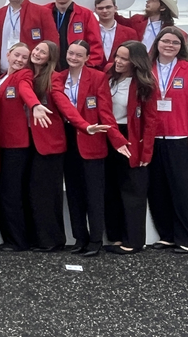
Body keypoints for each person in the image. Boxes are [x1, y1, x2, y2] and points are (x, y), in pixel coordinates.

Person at [52, 40, 129, 256]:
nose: (73, 58)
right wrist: (83, 125)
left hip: (93, 139)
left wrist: (117, 139)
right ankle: (79, 238)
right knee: (74, 193)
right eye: (71, 53)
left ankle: (95, 240)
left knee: (94, 194)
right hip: (69, 140)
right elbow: (64, 107)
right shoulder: (58, 78)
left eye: (79, 55)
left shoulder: (97, 77)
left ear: (87, 58)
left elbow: (105, 112)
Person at [146, 27, 188, 253]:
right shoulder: (147, 67)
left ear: (181, 47)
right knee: (158, 189)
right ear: (158, 43)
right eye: (166, 41)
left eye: (175, 43)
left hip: (180, 138)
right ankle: (168, 236)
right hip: (153, 138)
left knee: (182, 190)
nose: (169, 46)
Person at [104, 41, 158, 255]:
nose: (118, 61)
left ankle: (134, 240)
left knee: (133, 190)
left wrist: (146, 152)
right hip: (108, 134)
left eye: (124, 58)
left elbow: (151, 120)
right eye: (117, 56)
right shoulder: (108, 76)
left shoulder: (145, 83)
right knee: (111, 189)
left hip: (131, 137)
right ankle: (116, 236)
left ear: (135, 61)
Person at [0, 43, 46, 252]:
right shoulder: (1, 77)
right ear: (8, 54)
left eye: (25, 57)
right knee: (4, 190)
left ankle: (18, 240)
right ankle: (11, 237)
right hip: (1, 142)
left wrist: (35, 105)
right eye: (17, 55)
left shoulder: (23, 76)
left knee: (11, 193)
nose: (20, 60)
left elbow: (25, 91)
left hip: (16, 143)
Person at [21, 40, 69, 251]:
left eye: (43, 52)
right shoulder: (25, 75)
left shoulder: (54, 78)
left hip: (49, 143)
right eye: (37, 49)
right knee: (32, 191)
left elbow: (62, 103)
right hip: (28, 141)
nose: (38, 53)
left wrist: (83, 125)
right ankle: (36, 237)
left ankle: (51, 240)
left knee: (47, 193)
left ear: (51, 58)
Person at [44, 0, 102, 70]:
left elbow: (95, 43)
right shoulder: (43, 12)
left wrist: (88, 66)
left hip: (75, 68)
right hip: (48, 68)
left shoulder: (85, 14)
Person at [116, 0, 183, 51]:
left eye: (153, 0)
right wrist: (111, 10)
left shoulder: (171, 31)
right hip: (136, 61)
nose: (147, 1)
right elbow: (121, 22)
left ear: (162, 7)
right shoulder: (137, 20)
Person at [94, 0, 138, 70]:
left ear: (115, 8)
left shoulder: (130, 33)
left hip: (120, 76)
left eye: (108, 7)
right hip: (95, 76)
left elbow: (135, 58)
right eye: (100, 8)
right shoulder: (89, 31)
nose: (104, 11)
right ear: (95, 10)